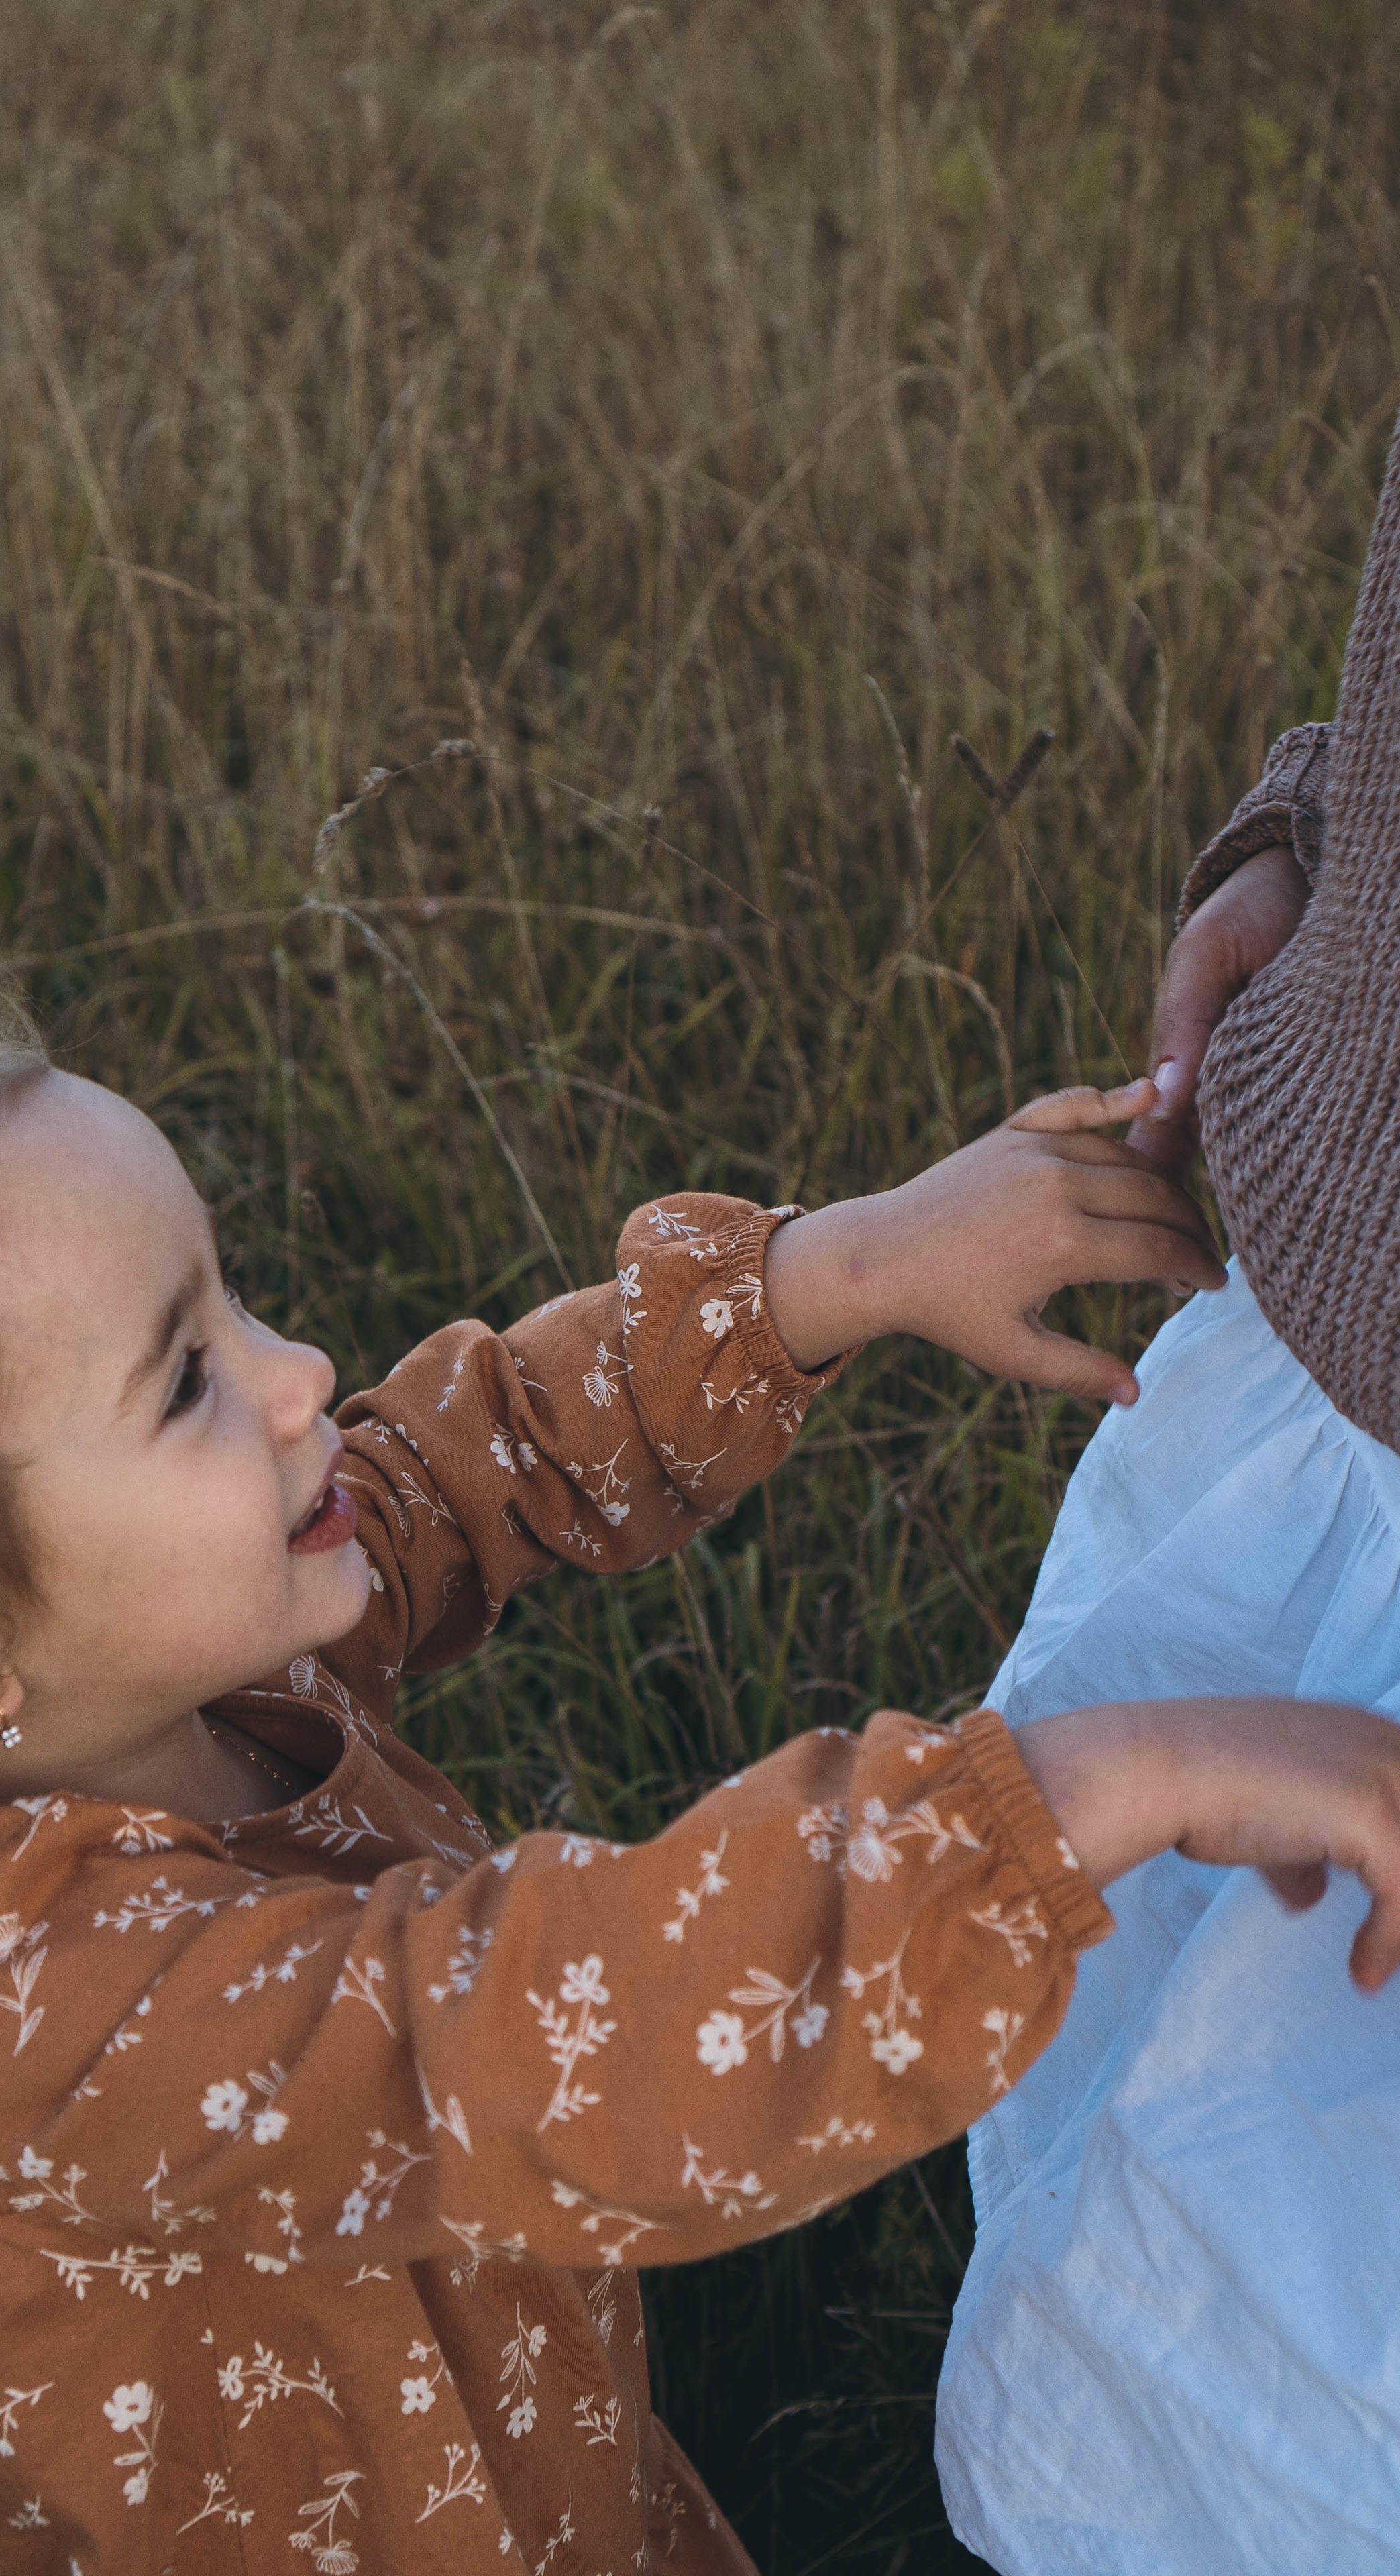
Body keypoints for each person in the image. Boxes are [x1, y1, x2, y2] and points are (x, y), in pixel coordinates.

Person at [0, 928, 1400, 2576]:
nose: (302, 1376)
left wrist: (842, 1270)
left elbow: (466, 1462)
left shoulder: (167, 1676)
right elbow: (536, 2032)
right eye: (182, 1382)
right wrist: (1089, 1790)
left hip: (504, 2479)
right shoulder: (43, 2016)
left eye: (233, 1302)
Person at [937, 424, 1400, 2576]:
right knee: (1169, 2230)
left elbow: (577, 2000)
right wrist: (1317, 844)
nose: (296, 1375)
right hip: (1322, 1387)